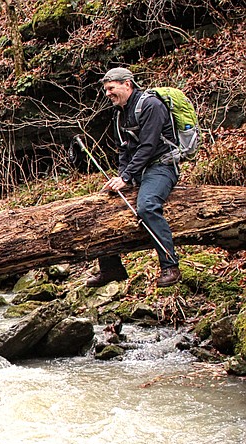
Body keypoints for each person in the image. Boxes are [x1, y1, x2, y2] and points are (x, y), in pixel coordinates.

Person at [86, 67, 182, 288]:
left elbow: (148, 146)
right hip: (138, 171)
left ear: (127, 84)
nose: (108, 94)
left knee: (147, 206)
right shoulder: (120, 112)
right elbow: (124, 149)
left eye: (111, 88)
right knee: (101, 207)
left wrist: (127, 177)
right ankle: (112, 268)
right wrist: (121, 176)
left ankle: (170, 266)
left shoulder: (151, 106)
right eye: (106, 90)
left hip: (162, 168)